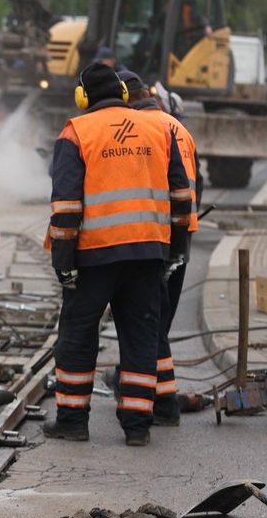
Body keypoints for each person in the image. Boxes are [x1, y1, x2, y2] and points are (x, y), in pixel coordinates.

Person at [44, 63, 191, 447]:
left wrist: (63, 261)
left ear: (83, 97)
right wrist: (175, 249)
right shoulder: (160, 129)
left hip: (93, 257)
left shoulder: (76, 133)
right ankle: (138, 427)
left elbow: (65, 206)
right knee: (142, 335)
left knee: (77, 334)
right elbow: (181, 195)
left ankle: (73, 421)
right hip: (147, 254)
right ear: (124, 94)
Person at [119, 68, 199, 425]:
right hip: (182, 234)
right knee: (158, 321)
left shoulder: (139, 130)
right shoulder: (178, 128)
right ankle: (158, 395)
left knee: (145, 320)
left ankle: (148, 398)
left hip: (149, 237)